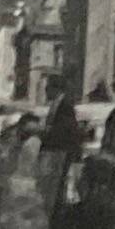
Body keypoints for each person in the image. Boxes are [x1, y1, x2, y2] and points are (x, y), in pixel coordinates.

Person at [38, 92, 84, 222]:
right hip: (68, 162)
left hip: (58, 162)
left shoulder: (58, 126)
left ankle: (53, 217)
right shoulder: (72, 125)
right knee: (65, 192)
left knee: (55, 191)